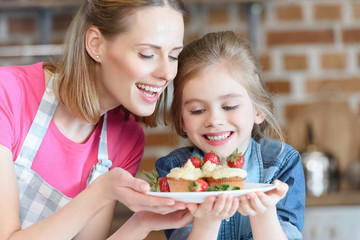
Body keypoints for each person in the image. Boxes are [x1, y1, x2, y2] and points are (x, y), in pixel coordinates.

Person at [0, 0, 195, 239]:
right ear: (96, 45)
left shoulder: (126, 138)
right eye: (148, 54)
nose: (166, 73)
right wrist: (101, 192)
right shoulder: (7, 94)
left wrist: (141, 223)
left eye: (174, 56)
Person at [155, 31, 305, 240]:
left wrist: (264, 215)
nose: (214, 120)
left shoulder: (282, 162)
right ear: (182, 120)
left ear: (258, 110)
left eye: (229, 106)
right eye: (197, 110)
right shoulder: (174, 170)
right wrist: (206, 222)